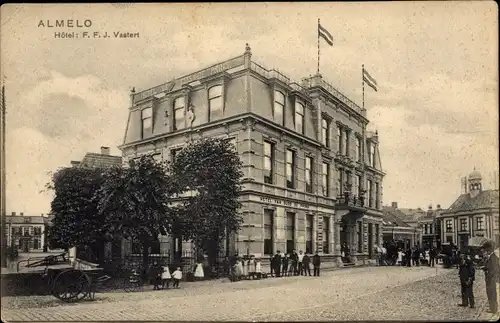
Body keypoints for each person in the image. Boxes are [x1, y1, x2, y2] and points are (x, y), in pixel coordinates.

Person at [481, 242, 499, 314]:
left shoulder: (493, 257)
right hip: (489, 278)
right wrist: (485, 268)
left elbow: (495, 269)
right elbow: (490, 267)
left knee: (492, 294)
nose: (485, 251)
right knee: (490, 293)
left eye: (486, 249)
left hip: (491, 279)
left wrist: (488, 272)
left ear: (489, 249)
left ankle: (494, 309)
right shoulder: (491, 257)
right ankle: (492, 308)